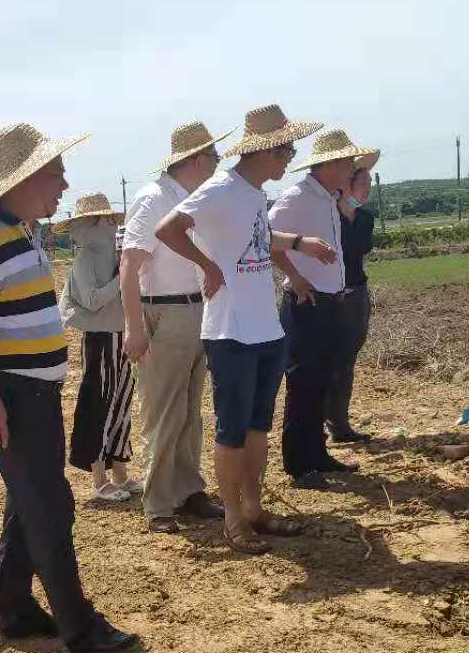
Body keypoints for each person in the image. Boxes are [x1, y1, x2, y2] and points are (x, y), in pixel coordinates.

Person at [0, 122, 138, 653]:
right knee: (51, 508)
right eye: (56, 173)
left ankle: (14, 609)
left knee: (29, 501)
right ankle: (79, 626)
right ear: (25, 178)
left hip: (34, 394)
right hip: (12, 396)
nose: (64, 184)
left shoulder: (24, 233)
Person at [154, 105, 340, 555]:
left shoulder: (255, 194)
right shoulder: (220, 189)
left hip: (266, 329)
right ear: (266, 151)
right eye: (287, 150)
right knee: (232, 431)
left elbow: (258, 240)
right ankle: (233, 518)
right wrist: (206, 265)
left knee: (259, 428)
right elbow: (167, 229)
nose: (290, 158)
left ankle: (254, 507)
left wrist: (298, 244)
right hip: (230, 331)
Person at [120, 122, 230, 534]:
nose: (218, 162)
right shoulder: (154, 199)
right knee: (165, 412)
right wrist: (134, 328)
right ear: (197, 159)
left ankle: (188, 490)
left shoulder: (189, 198)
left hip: (195, 310)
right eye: (215, 156)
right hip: (164, 313)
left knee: (188, 410)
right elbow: (128, 266)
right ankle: (159, 503)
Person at [269, 127, 380, 488]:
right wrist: (294, 276)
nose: (353, 169)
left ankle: (317, 455)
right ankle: (299, 465)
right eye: (349, 163)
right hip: (306, 302)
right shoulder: (297, 198)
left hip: (331, 300)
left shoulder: (329, 198)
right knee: (302, 385)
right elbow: (263, 241)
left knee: (320, 381)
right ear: (331, 164)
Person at [55, 192, 139, 503]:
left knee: (121, 405)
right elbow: (91, 300)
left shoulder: (115, 256)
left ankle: (120, 475)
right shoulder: (85, 258)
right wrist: (124, 277)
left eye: (108, 218)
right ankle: (99, 479)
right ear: (86, 226)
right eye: (101, 219)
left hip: (121, 336)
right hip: (100, 340)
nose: (108, 223)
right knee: (99, 405)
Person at [326, 157, 380, 442]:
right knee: (324, 361)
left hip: (356, 294)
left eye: (370, 182)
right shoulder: (326, 216)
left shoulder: (366, 219)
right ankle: (320, 423)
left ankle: (339, 425)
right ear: (346, 184)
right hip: (328, 297)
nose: (368, 188)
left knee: (346, 362)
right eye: (362, 182)